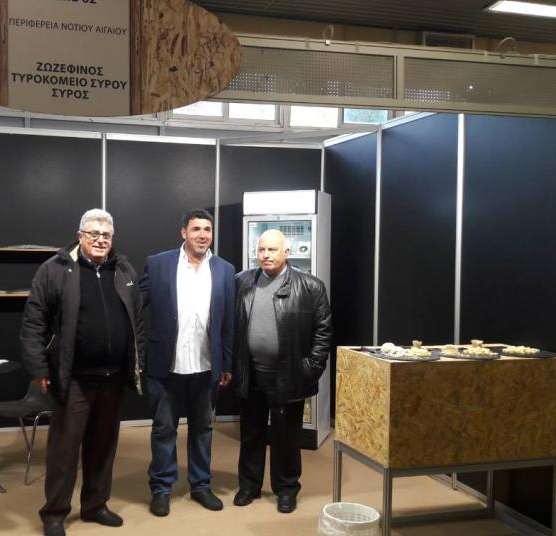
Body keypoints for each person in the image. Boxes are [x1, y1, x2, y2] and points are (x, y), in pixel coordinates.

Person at [19, 208, 143, 536]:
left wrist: (137, 360)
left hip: (113, 378)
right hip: (73, 378)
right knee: (64, 450)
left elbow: (137, 321)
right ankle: (54, 513)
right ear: (80, 236)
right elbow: (34, 322)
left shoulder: (124, 268)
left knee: (103, 446)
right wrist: (38, 367)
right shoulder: (56, 269)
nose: (100, 240)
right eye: (93, 234)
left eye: (106, 235)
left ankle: (95, 505)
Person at [138, 208, 235, 517]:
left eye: (207, 229)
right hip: (166, 366)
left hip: (206, 366)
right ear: (183, 232)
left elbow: (228, 322)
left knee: (203, 429)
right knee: (164, 430)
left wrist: (226, 363)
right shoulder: (158, 264)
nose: (202, 235)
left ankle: (201, 485)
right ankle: (161, 488)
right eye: (196, 229)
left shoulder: (225, 269)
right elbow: (135, 307)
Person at [232, 229, 332, 514]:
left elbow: (323, 331)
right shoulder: (241, 282)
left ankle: (286, 489)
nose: (266, 255)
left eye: (272, 250)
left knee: (286, 436)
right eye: (261, 250)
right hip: (251, 372)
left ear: (287, 252)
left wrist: (310, 368)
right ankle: (249, 486)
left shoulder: (311, 286)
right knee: (251, 433)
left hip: (288, 375)